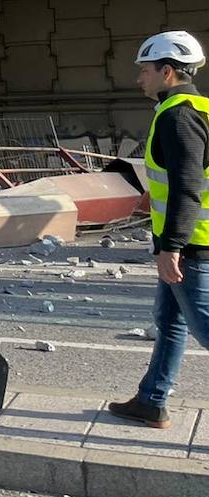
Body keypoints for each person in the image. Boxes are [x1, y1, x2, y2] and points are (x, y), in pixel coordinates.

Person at [109, 30, 209, 429]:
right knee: (170, 320)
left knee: (204, 326)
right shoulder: (198, 108)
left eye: (145, 71)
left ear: (167, 71)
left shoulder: (178, 116)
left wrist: (172, 248)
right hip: (186, 241)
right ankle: (151, 401)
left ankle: (152, 400)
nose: (139, 79)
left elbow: (188, 186)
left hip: (192, 246)